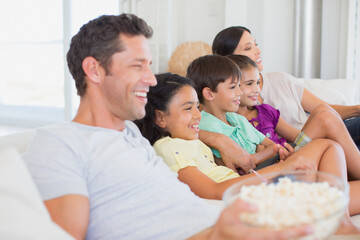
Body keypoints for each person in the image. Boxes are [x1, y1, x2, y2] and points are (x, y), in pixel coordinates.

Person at [22, 14, 313, 240]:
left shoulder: (132, 136)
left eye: (149, 65)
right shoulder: (59, 144)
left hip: (221, 224)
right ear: (94, 70)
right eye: (138, 66)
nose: (150, 79)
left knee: (330, 213)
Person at [136, 72, 359, 210]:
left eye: (197, 107)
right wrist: (281, 169)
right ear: (160, 118)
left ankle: (336, 216)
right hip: (256, 191)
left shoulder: (195, 142)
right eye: (188, 108)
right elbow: (213, 191)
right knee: (326, 145)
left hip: (258, 183)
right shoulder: (167, 147)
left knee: (332, 149)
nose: (197, 115)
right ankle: (340, 222)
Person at [212, 26, 360, 149]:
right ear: (229, 60)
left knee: (325, 114)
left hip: (319, 136)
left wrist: (357, 109)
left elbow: (325, 108)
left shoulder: (280, 81)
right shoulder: (230, 110)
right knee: (324, 117)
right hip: (298, 148)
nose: (258, 51)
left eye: (256, 44)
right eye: (249, 48)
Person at [228, 54, 360, 180]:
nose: (257, 89)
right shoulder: (231, 121)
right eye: (250, 84)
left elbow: (297, 137)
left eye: (258, 82)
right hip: (275, 166)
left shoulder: (266, 111)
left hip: (290, 153)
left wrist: (294, 149)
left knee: (322, 111)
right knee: (325, 117)